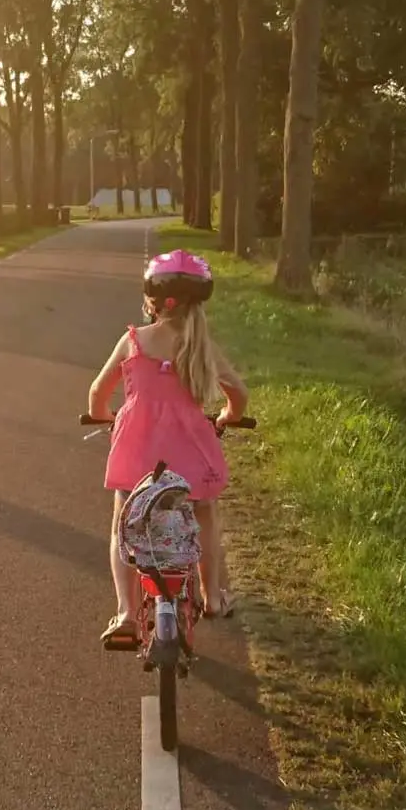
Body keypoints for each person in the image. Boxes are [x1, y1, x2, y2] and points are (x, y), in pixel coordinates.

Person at [87, 249, 249, 648]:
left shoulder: (133, 342)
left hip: (137, 454)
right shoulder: (202, 348)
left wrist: (105, 416)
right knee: (204, 510)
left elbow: (97, 394)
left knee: (123, 522)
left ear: (154, 301)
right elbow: (238, 394)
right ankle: (212, 598)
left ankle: (126, 613)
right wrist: (228, 415)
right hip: (191, 452)